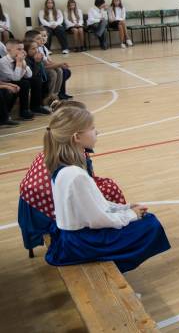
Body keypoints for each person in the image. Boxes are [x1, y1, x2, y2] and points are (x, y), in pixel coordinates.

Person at [44, 106, 170, 272]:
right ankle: (114, 270)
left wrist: (125, 208)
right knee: (150, 224)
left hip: (73, 237)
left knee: (142, 220)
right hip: (81, 243)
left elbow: (97, 205)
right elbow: (98, 219)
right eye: (92, 128)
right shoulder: (75, 175)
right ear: (77, 137)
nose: (97, 132)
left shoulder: (64, 167)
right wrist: (131, 215)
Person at [18, 99, 127, 253]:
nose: (96, 131)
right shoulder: (72, 158)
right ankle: (112, 234)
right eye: (90, 127)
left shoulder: (56, 145)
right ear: (75, 133)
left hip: (32, 203)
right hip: (43, 210)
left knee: (105, 187)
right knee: (110, 189)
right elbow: (82, 188)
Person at [0, 39, 47, 120]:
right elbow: (15, 78)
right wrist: (19, 63)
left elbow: (29, 75)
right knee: (24, 84)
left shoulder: (20, 59)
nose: (22, 52)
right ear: (8, 50)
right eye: (19, 49)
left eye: (22, 49)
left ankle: (34, 107)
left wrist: (24, 64)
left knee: (35, 79)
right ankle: (14, 112)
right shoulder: (3, 62)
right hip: (6, 82)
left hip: (16, 79)